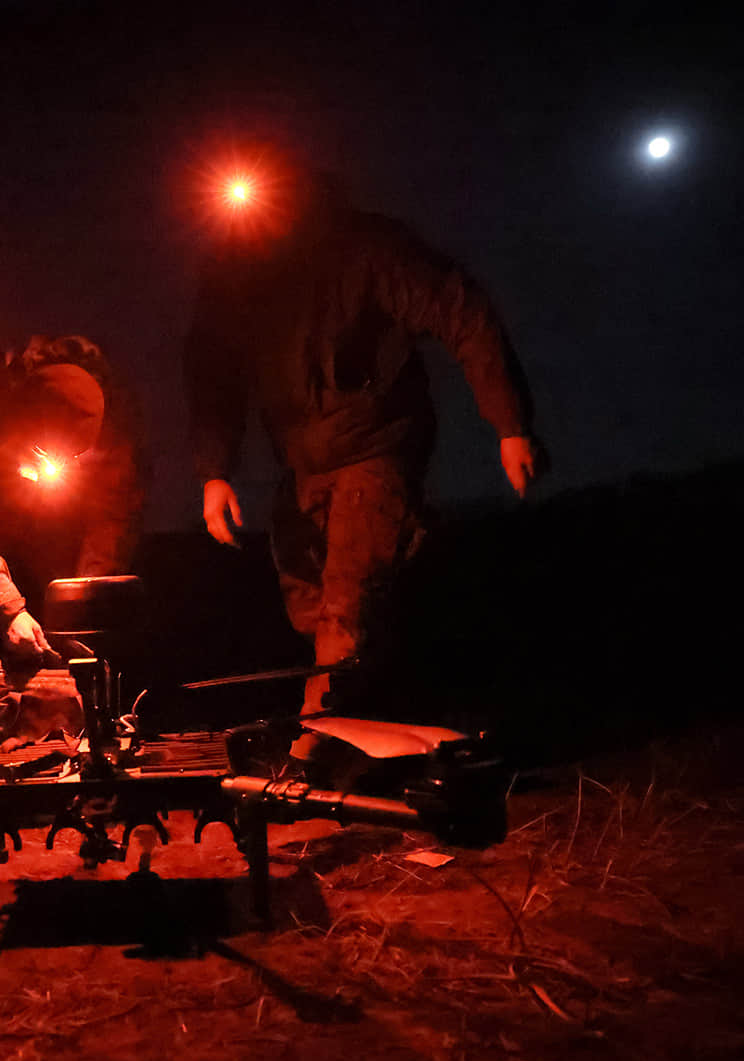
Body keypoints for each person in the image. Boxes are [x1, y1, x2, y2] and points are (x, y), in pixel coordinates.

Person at [183, 165, 541, 777]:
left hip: (376, 447)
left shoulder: (367, 249)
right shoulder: (237, 276)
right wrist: (213, 473)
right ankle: (384, 729)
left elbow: (461, 312)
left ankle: (313, 757)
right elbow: (212, 373)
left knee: (347, 610)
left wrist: (510, 424)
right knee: (311, 605)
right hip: (302, 464)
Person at [0, 335, 145, 717]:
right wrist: (9, 609)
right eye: (43, 455)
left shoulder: (114, 424)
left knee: (77, 640)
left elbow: (113, 521)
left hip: (60, 541)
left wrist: (82, 608)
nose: (54, 469)